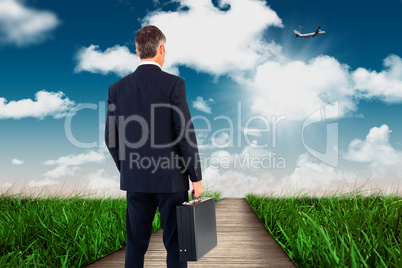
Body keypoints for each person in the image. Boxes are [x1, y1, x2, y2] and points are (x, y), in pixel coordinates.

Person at [105, 25, 203, 268]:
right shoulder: (174, 84)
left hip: (135, 180)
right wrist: (196, 177)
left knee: (135, 245)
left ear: (137, 51)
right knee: (178, 245)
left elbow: (111, 138)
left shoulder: (116, 89)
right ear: (162, 49)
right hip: (170, 180)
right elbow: (185, 133)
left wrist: (127, 167)